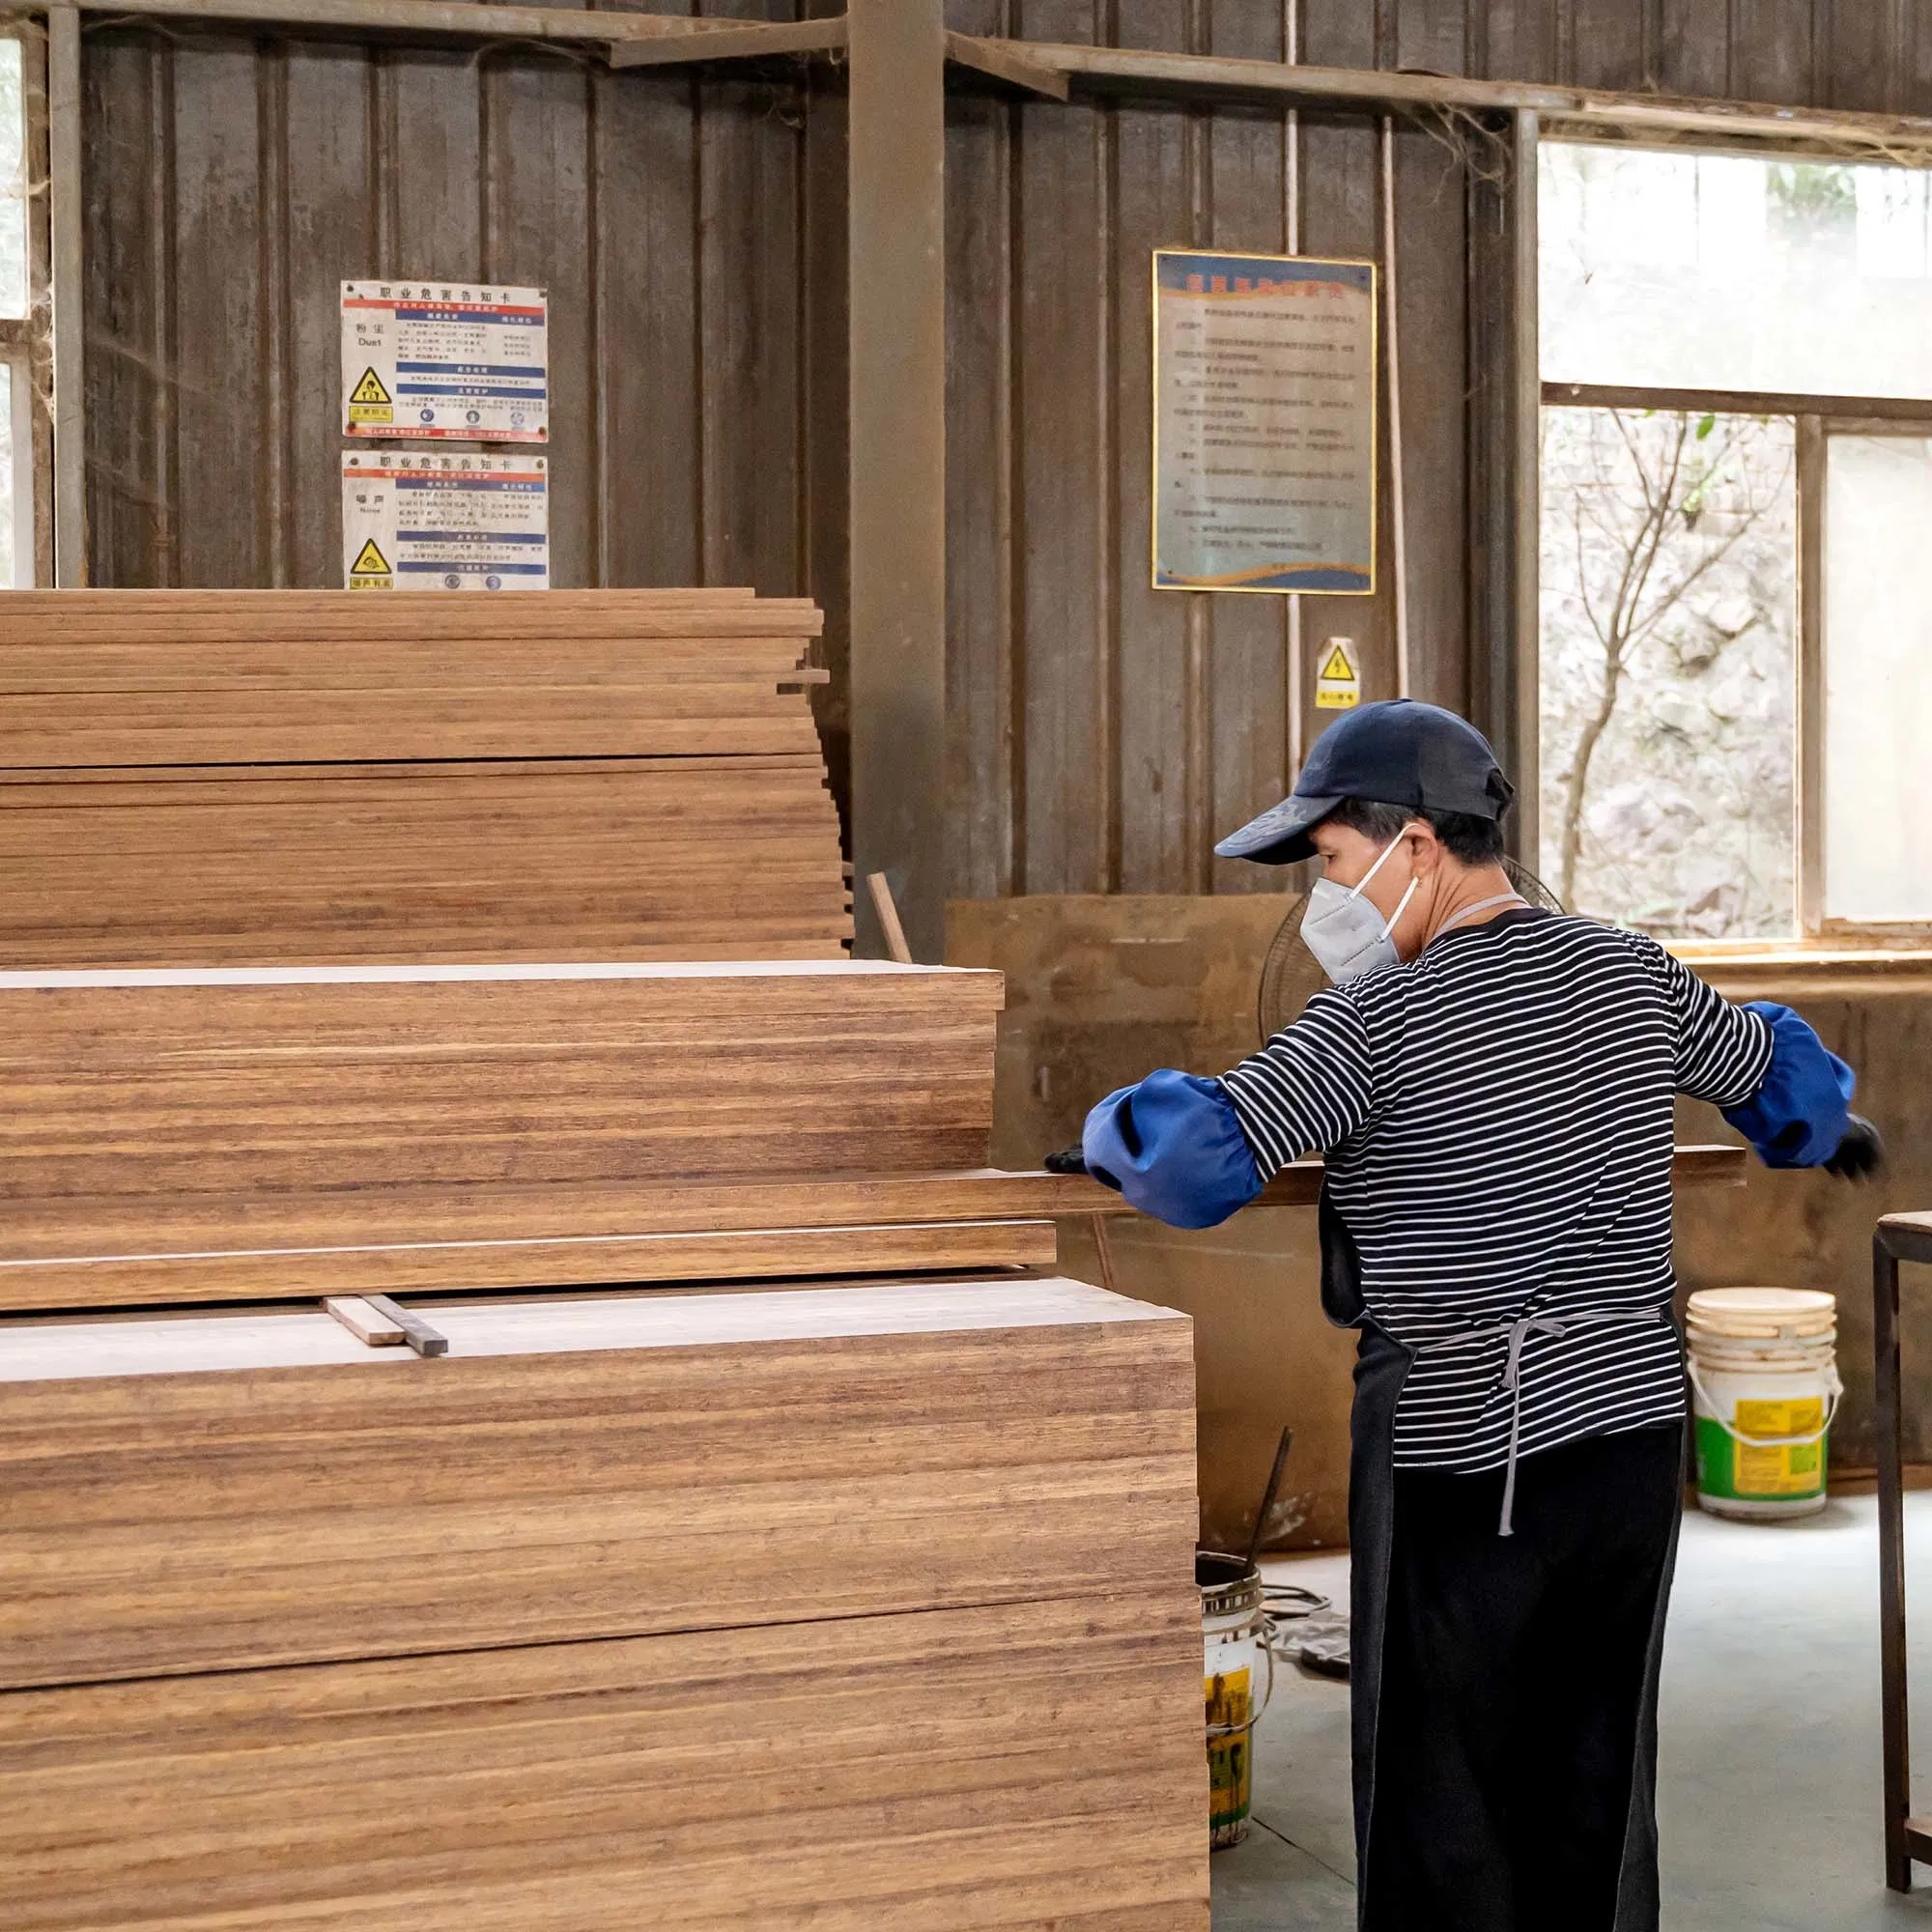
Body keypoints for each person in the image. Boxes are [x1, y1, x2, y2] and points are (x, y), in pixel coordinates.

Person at [1064, 699, 1880, 1932]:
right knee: (1594, 1766)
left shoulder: (1371, 1024)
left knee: (1444, 1786)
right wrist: (1810, 1123)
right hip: (1624, 1438)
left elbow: (1193, 1160)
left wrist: (1099, 1128)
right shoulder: (1632, 971)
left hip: (1459, 1449)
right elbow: (1795, 1096)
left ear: (1417, 845)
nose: (1323, 901)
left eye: (1331, 862)